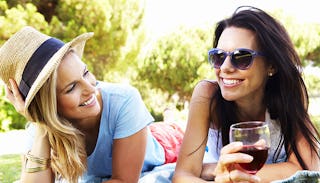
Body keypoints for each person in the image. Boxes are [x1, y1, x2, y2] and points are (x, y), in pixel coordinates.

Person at [0, 26, 184, 183]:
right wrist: (41, 125)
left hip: (164, 144)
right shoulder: (41, 125)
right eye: (71, 87)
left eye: (86, 72)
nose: (91, 88)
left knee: (172, 128)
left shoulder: (124, 99)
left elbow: (123, 180)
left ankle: (170, 116)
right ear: (49, 106)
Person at [173, 6, 320, 183]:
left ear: (271, 66)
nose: (225, 67)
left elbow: (306, 167)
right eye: (218, 56)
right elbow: (183, 176)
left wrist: (225, 171)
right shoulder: (207, 95)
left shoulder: (288, 92)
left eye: (241, 57)